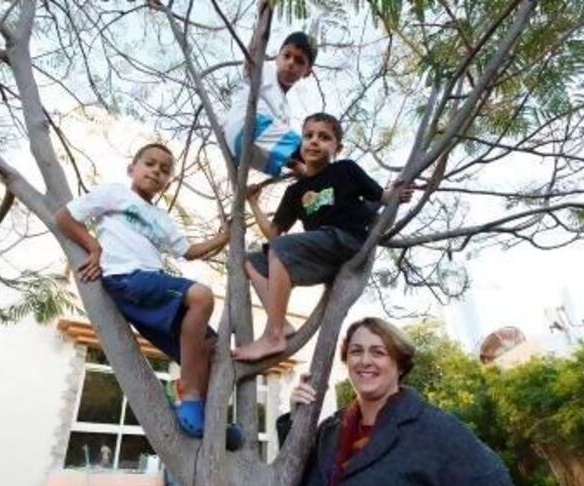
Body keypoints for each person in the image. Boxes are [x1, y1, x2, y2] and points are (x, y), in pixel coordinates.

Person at [277, 317, 530, 486]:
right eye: (356, 351)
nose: (365, 360)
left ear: (399, 365)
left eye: (378, 352)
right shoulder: (332, 432)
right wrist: (295, 422)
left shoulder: (438, 433)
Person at [55, 143, 228, 440]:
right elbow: (65, 217)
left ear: (168, 181)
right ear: (131, 168)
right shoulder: (115, 193)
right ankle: (188, 389)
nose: (156, 171)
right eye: (150, 164)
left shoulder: (163, 219)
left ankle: (207, 418)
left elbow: (189, 251)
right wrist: (94, 247)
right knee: (201, 296)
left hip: (152, 285)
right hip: (126, 279)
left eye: (164, 170)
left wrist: (225, 235)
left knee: (211, 345)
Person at [234, 113, 413, 361]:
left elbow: (381, 197)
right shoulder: (296, 191)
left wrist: (396, 194)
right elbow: (273, 233)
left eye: (324, 137)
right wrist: (253, 203)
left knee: (279, 248)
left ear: (337, 148)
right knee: (251, 261)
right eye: (308, 136)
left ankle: (273, 335)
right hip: (321, 257)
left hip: (346, 240)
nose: (314, 141)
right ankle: (282, 324)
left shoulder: (345, 169)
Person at [223, 31, 316, 178]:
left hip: (255, 156)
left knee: (305, 163)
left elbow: (280, 147)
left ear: (307, 72)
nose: (291, 62)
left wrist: (299, 167)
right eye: (287, 56)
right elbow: (252, 54)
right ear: (277, 58)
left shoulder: (285, 110)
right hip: (246, 127)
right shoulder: (264, 71)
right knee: (312, 149)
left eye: (299, 61)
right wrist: (262, 16)